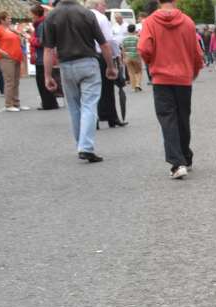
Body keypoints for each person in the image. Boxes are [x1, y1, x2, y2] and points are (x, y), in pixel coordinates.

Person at [43, 0, 118, 162]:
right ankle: (86, 146)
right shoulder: (87, 13)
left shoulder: (52, 16)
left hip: (66, 65)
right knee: (89, 105)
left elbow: (48, 49)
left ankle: (81, 145)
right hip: (88, 63)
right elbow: (104, 44)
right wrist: (111, 66)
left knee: (74, 107)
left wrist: (47, 75)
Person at [138, 0, 204, 179]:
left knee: (168, 119)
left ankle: (177, 163)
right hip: (183, 78)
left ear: (158, 1)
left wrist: (151, 62)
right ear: (175, 1)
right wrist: (194, 71)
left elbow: (144, 48)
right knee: (183, 118)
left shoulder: (150, 22)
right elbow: (197, 53)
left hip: (161, 78)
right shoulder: (188, 22)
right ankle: (186, 157)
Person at [87, 0, 123, 127]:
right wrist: (116, 55)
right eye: (103, 4)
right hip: (101, 55)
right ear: (96, 5)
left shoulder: (84, 15)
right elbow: (109, 40)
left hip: (87, 56)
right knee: (107, 87)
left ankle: (95, 118)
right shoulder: (102, 18)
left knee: (91, 89)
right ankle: (111, 117)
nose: (105, 7)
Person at [0, 12, 28, 111]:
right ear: (2, 20)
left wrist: (19, 34)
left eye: (10, 18)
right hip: (6, 58)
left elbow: (18, 40)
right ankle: (9, 104)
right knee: (9, 81)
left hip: (16, 57)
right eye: (8, 18)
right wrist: (1, 51)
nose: (10, 20)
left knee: (16, 81)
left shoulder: (9, 28)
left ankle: (16, 103)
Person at [30, 4, 59, 110]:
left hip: (42, 57)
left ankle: (48, 103)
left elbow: (43, 41)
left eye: (32, 14)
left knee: (42, 81)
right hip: (42, 56)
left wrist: (31, 39)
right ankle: (49, 102)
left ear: (36, 14)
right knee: (43, 80)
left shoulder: (41, 24)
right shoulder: (40, 23)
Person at [121, 24, 142, 91]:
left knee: (131, 72)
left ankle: (133, 87)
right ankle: (138, 84)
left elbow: (123, 49)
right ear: (134, 30)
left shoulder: (124, 39)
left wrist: (124, 58)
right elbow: (139, 48)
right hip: (136, 56)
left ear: (128, 30)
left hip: (127, 57)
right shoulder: (137, 38)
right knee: (139, 71)